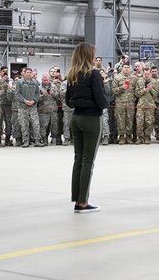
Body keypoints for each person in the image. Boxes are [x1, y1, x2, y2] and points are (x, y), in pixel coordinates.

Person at [65, 42, 108, 213]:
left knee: (78, 160)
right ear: (89, 55)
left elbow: (68, 100)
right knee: (88, 161)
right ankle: (83, 202)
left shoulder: (72, 74)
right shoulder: (94, 74)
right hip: (91, 119)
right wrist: (106, 101)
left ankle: (77, 199)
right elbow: (100, 99)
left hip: (76, 117)